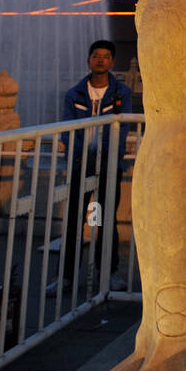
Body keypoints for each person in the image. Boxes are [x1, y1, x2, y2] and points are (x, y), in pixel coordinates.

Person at [58, 40, 131, 292]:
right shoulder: (74, 94)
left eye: (106, 56)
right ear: (89, 60)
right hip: (82, 164)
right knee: (74, 221)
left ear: (112, 61)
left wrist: (113, 158)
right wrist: (76, 158)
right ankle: (66, 278)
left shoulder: (121, 93)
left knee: (104, 220)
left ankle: (108, 274)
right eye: (96, 56)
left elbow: (122, 130)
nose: (100, 60)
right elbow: (67, 131)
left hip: (109, 165)